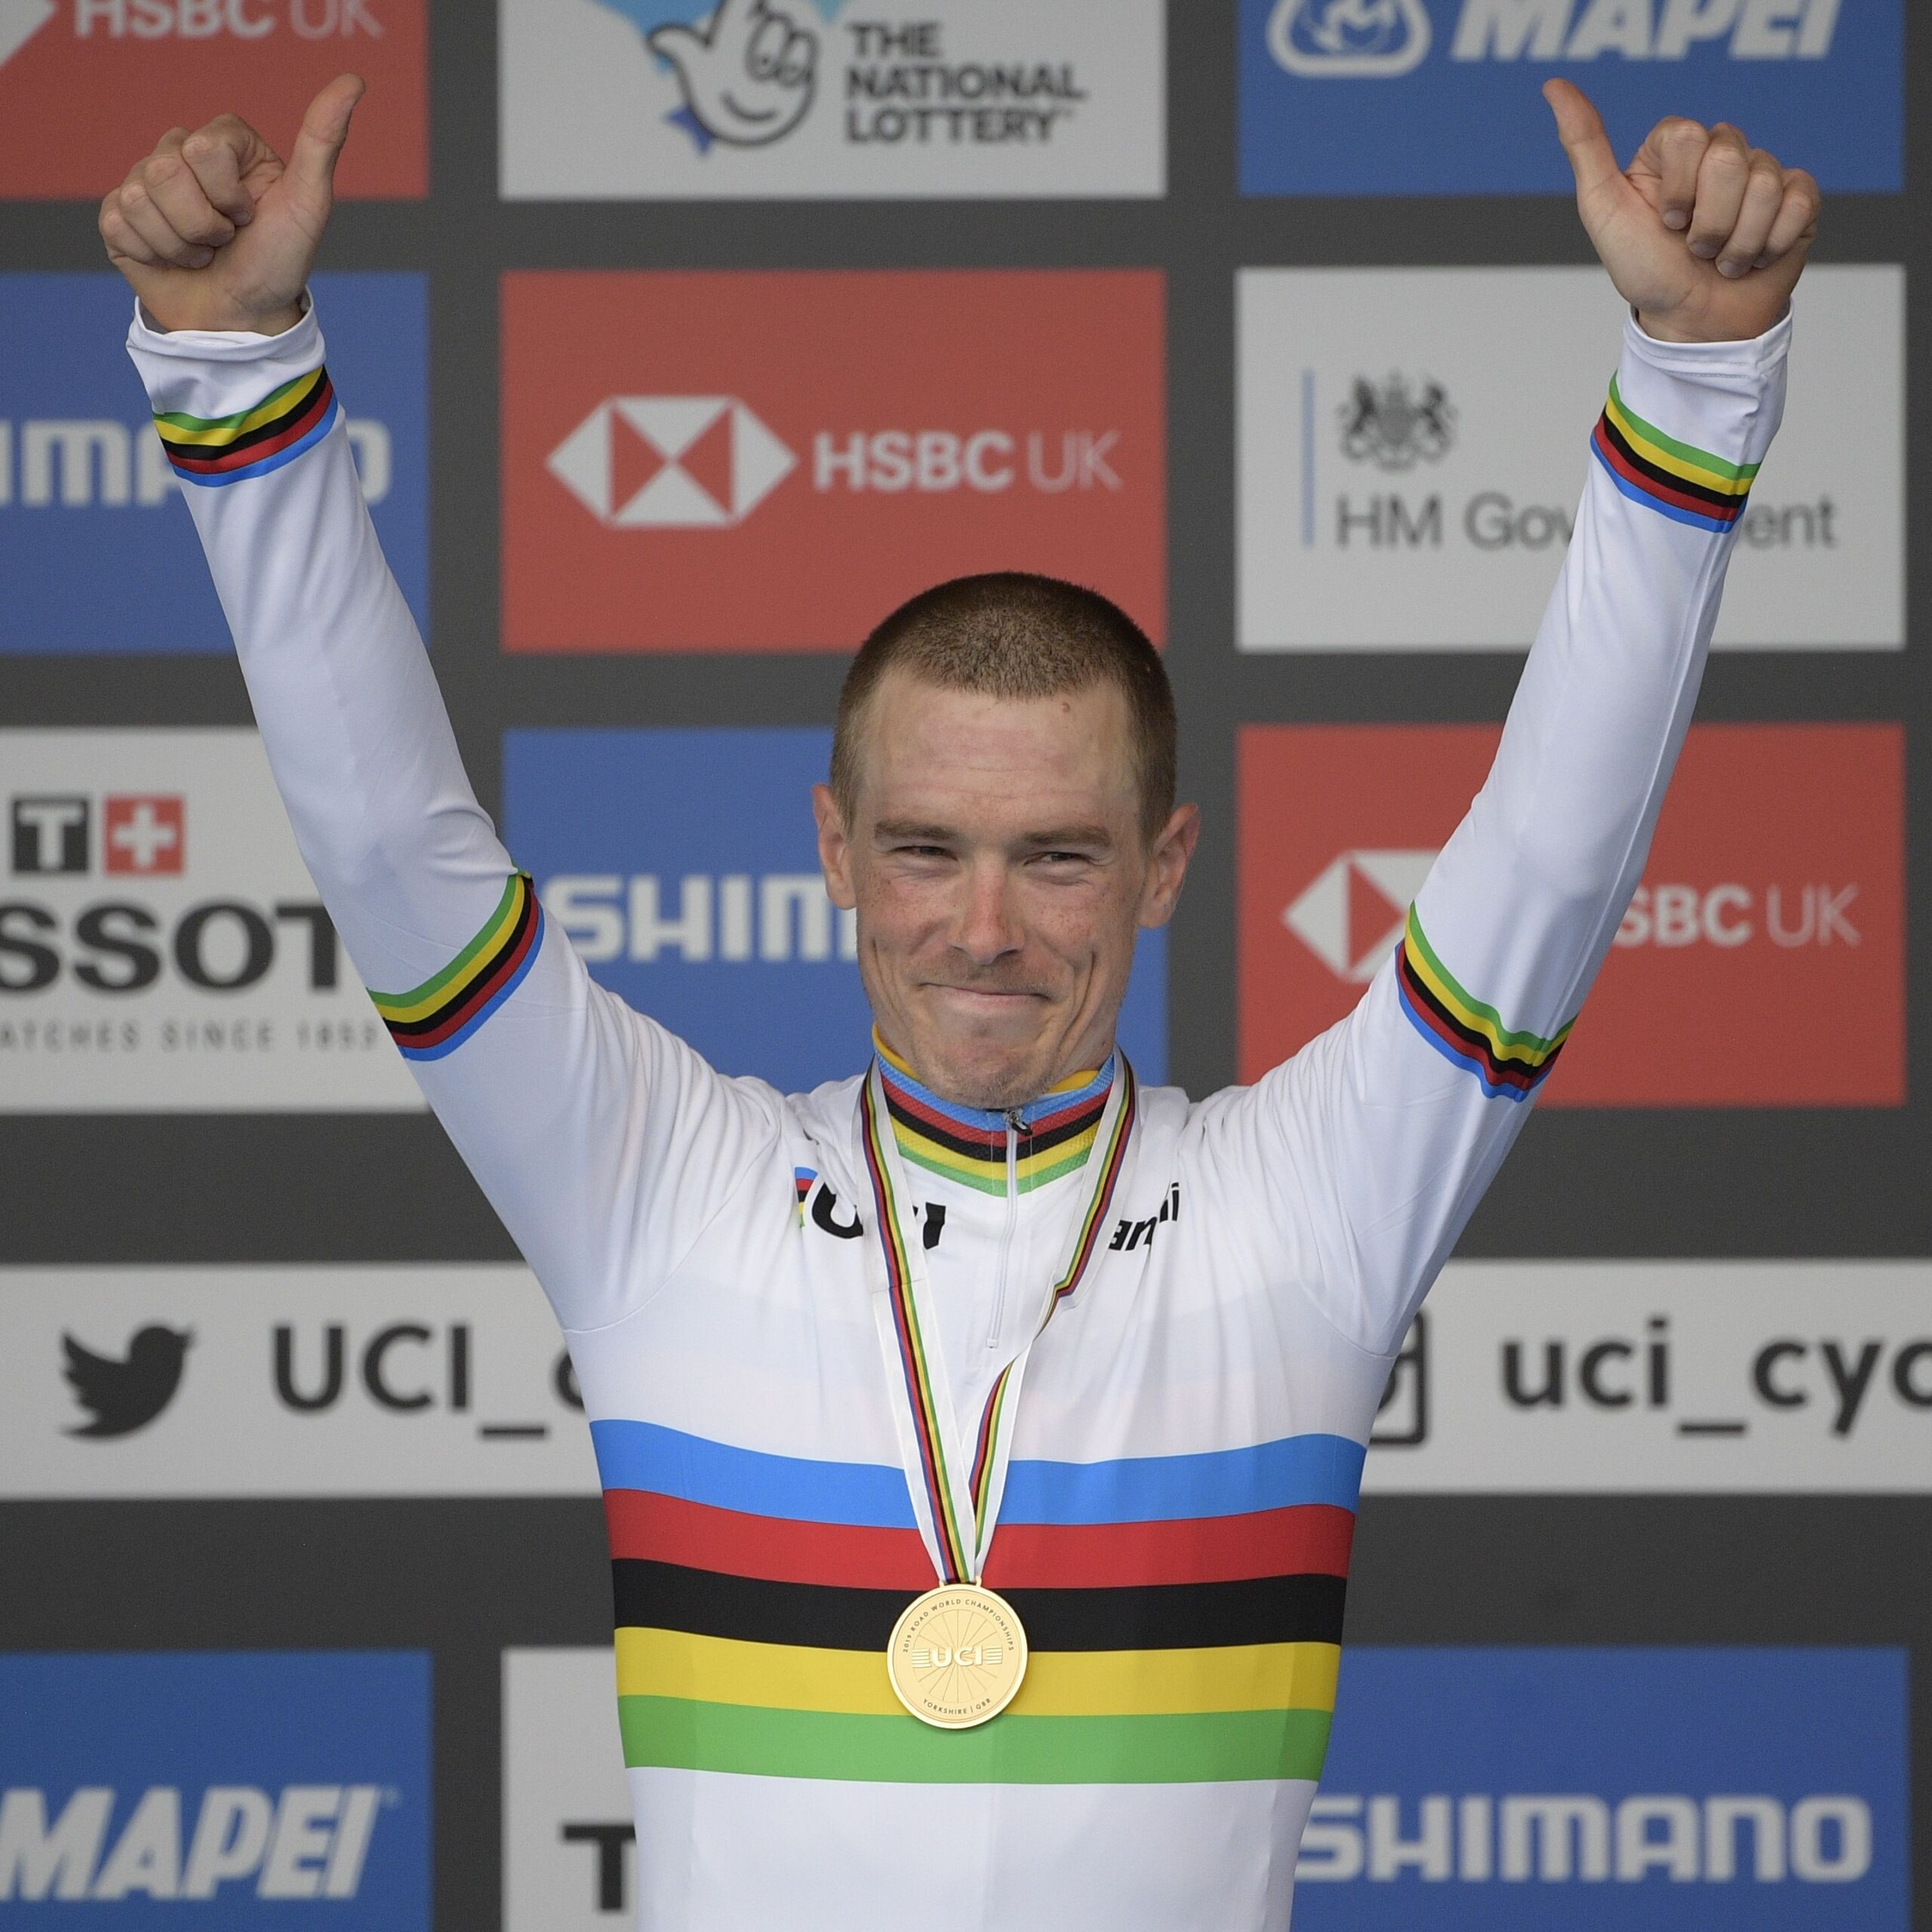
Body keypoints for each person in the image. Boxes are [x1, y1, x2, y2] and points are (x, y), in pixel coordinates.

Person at [101, 72, 1816, 1930]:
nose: (983, 928)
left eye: (1057, 859)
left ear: (1163, 867)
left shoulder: (1306, 1199)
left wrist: (1694, 376)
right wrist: (233, 370)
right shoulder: (655, 1182)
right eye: (925, 850)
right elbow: (389, 842)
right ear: (833, 851)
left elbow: (1548, 858)